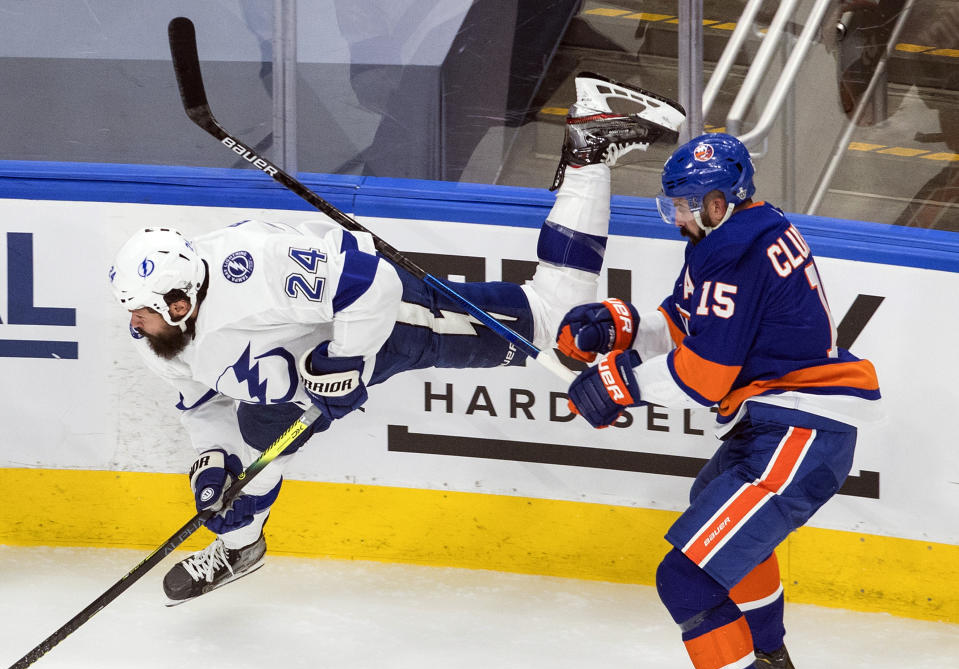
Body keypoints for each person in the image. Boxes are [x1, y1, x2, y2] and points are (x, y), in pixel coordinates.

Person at [107, 72, 685, 606]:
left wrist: (346, 359)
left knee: (555, 317)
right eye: (132, 313)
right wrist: (210, 458)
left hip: (384, 324)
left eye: (144, 314)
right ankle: (241, 546)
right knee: (253, 439)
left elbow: (372, 283)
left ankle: (591, 146)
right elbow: (203, 403)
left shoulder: (252, 268)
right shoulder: (154, 332)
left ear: (179, 303)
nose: (135, 325)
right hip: (303, 373)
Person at [558, 132, 882, 669]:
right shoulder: (738, 231)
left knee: (686, 576)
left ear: (716, 199)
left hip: (801, 426)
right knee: (715, 521)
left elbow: (706, 376)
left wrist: (618, 382)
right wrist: (619, 326)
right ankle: (770, 659)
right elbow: (686, 324)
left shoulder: (732, 250)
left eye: (683, 206)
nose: (675, 217)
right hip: (776, 418)